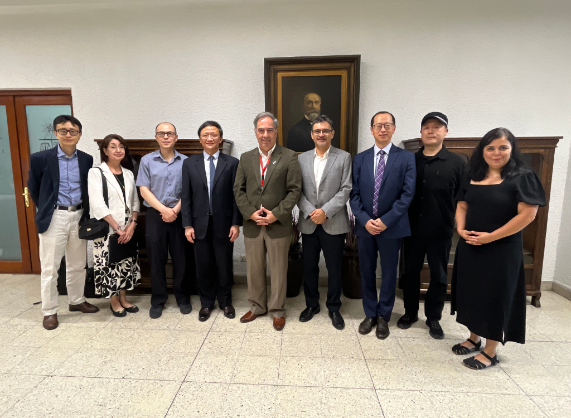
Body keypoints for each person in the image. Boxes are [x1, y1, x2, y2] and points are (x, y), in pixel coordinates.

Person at [451, 127, 545, 370]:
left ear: (512, 149)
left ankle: (490, 351)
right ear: (482, 150)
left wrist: (491, 237)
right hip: (471, 245)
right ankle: (474, 337)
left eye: (503, 147)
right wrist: (460, 230)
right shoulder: (473, 173)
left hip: (501, 249)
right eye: (490, 147)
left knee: (495, 296)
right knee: (472, 293)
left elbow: (527, 215)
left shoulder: (523, 176)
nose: (496, 152)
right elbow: (462, 204)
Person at [27, 115, 99, 330]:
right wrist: (48, 208)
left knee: (78, 264)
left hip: (78, 215)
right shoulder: (40, 158)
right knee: (50, 267)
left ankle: (76, 301)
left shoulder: (86, 159)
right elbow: (35, 188)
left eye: (73, 131)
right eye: (63, 130)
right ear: (55, 133)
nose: (68, 134)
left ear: (79, 134)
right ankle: (49, 310)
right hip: (54, 216)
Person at [398, 112, 466, 339]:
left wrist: (460, 224)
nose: (431, 130)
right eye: (426, 127)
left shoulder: (457, 162)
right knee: (410, 273)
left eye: (437, 127)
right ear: (420, 132)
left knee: (438, 275)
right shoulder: (409, 161)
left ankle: (433, 317)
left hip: (441, 229)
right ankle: (410, 313)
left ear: (445, 132)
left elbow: (463, 197)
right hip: (411, 228)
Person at [350, 111, 415, 339]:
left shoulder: (406, 158)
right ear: (371, 130)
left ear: (394, 128)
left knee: (388, 273)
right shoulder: (360, 159)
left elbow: (407, 195)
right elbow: (354, 194)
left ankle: (383, 317)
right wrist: (366, 220)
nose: (383, 129)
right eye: (378, 125)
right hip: (366, 228)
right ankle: (370, 314)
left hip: (392, 228)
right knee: (366, 272)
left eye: (387, 125)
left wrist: (385, 221)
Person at [234, 112, 302, 331]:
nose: (265, 134)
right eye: (261, 130)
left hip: (277, 224)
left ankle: (277, 310)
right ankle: (256, 306)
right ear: (255, 132)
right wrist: (250, 213)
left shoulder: (289, 156)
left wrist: (277, 213)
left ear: (276, 131)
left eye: (269, 130)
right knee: (254, 269)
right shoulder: (246, 158)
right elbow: (239, 190)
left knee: (279, 269)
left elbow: (294, 191)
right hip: (253, 224)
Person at [181, 121, 242, 322]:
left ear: (220, 139)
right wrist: (187, 224)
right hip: (198, 225)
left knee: (224, 265)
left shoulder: (232, 163)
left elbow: (236, 196)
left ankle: (225, 302)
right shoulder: (190, 163)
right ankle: (206, 303)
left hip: (224, 225)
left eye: (214, 135)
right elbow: (187, 196)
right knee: (203, 265)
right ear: (200, 139)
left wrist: (235, 223)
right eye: (205, 135)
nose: (210, 138)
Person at [297, 115, 352, 330]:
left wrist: (325, 212)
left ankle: (334, 307)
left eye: (325, 131)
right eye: (317, 131)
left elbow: (346, 189)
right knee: (309, 267)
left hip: (334, 222)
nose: (321, 134)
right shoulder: (301, 159)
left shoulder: (344, 157)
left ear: (332, 133)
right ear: (311, 134)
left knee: (334, 268)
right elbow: (297, 190)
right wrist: (312, 211)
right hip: (309, 223)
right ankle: (311, 305)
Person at [136, 122, 190, 319]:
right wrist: (164, 210)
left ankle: (182, 297)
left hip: (179, 214)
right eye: (162, 133)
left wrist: (174, 210)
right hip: (155, 216)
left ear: (176, 137)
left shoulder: (186, 161)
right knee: (156, 259)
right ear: (156, 137)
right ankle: (158, 300)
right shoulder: (146, 161)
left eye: (170, 133)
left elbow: (189, 191)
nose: (166, 136)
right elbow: (144, 189)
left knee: (180, 259)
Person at [88, 134, 140, 317]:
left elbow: (135, 201)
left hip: (127, 228)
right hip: (107, 229)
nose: (118, 150)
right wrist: (117, 228)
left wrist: (132, 225)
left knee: (125, 263)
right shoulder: (96, 173)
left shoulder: (128, 173)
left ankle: (124, 298)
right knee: (109, 266)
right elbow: (98, 204)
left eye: (121, 147)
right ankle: (114, 301)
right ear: (105, 150)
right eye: (113, 146)